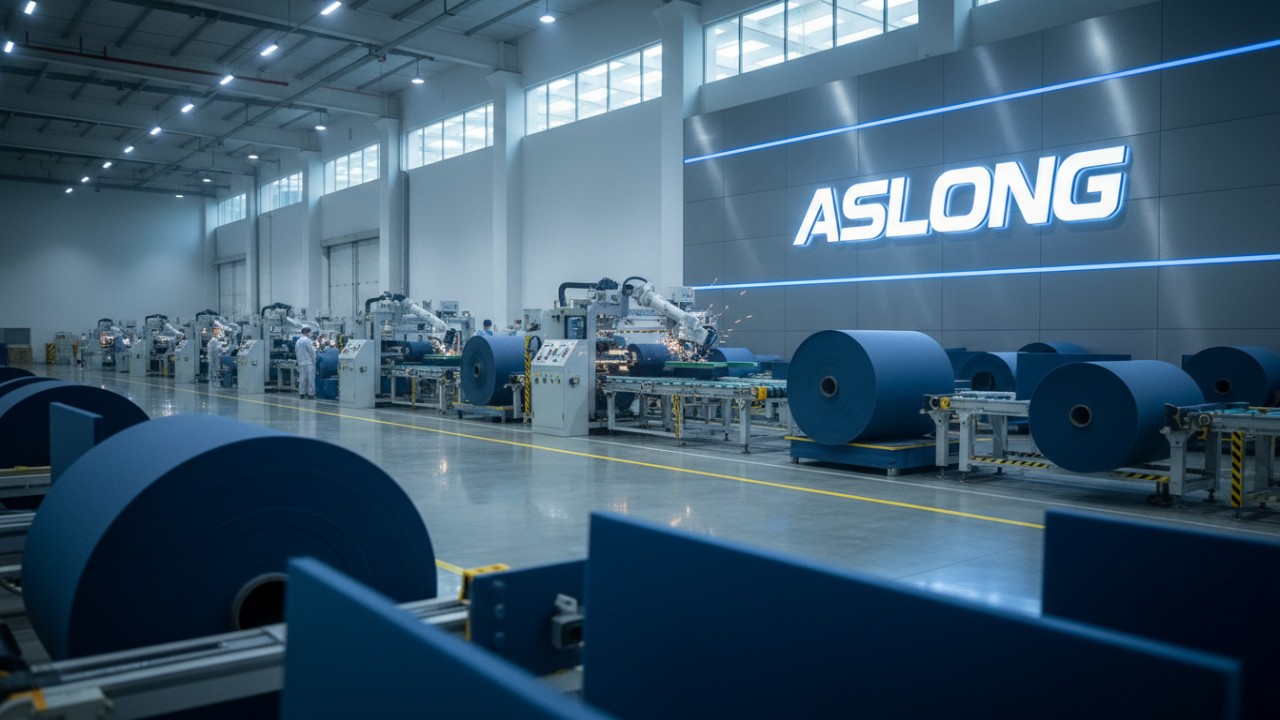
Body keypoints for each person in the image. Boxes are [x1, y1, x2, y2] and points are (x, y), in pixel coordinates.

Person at [296, 326, 316, 398]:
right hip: (309, 362)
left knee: (302, 378)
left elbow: (297, 352)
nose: (311, 334)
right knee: (310, 379)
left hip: (301, 362)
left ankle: (302, 393)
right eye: (310, 332)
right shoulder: (307, 341)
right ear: (307, 333)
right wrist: (314, 361)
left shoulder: (298, 341)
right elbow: (312, 352)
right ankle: (311, 394)